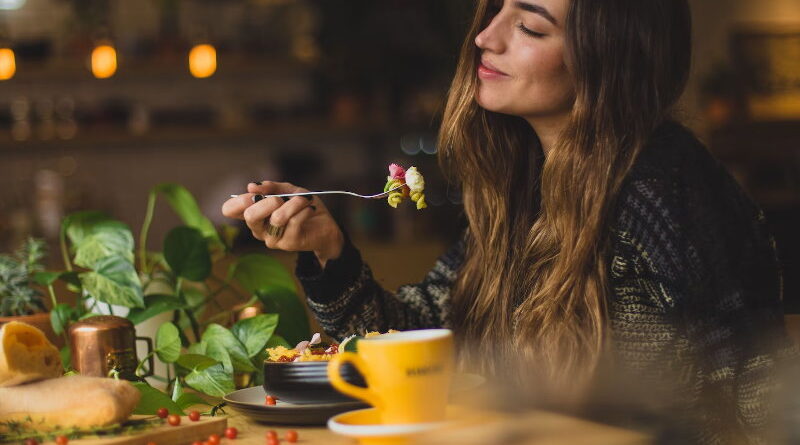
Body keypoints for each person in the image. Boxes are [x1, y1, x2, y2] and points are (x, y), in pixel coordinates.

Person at [222, 0, 794, 442]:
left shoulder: (662, 187)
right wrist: (328, 250)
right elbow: (422, 338)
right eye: (497, 9)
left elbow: (752, 394)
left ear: (609, 60)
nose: (484, 36)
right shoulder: (527, 186)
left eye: (531, 27)